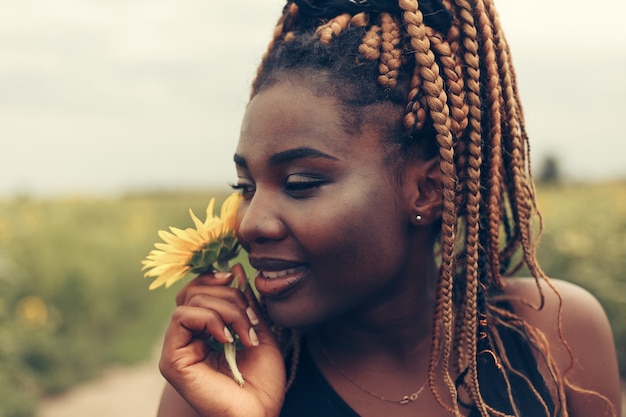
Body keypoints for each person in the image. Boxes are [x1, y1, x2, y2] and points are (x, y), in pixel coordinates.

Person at [156, 0, 621, 416]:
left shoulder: (552, 338)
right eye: (246, 185)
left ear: (428, 190)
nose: (249, 223)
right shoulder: (217, 375)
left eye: (300, 183)